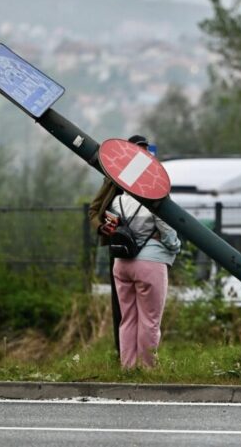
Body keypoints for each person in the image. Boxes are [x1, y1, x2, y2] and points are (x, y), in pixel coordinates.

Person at [88, 135, 151, 357]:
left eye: (145, 150)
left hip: (147, 248)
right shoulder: (113, 178)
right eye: (139, 150)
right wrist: (101, 227)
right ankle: (123, 355)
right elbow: (94, 210)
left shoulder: (152, 179)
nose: (143, 155)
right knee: (121, 306)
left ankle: (145, 357)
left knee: (148, 311)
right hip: (119, 246)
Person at [109, 183, 181, 368]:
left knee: (127, 318)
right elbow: (167, 231)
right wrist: (175, 246)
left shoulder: (117, 201)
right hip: (150, 263)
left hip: (121, 263)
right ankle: (147, 368)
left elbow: (111, 228)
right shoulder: (153, 200)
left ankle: (128, 367)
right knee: (150, 320)